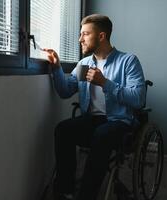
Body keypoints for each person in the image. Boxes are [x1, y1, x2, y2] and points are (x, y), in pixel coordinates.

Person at [43, 14, 146, 200]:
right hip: (92, 120)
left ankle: (86, 196)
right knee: (63, 130)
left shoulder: (129, 61)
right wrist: (57, 67)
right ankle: (65, 191)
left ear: (101, 36)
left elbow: (138, 99)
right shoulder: (84, 64)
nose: (80, 39)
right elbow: (66, 91)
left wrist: (105, 83)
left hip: (119, 121)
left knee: (102, 134)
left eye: (85, 34)